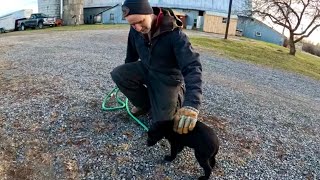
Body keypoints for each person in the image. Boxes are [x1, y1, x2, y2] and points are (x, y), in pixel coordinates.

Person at [110, 0, 202, 134]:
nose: (138, 28)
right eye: (132, 24)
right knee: (118, 74)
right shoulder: (135, 29)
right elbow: (131, 56)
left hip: (168, 79)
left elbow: (193, 67)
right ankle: (145, 104)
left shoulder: (175, 35)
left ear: (149, 13)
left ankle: (177, 96)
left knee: (163, 124)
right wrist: (126, 79)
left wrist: (192, 104)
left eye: (140, 21)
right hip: (147, 68)